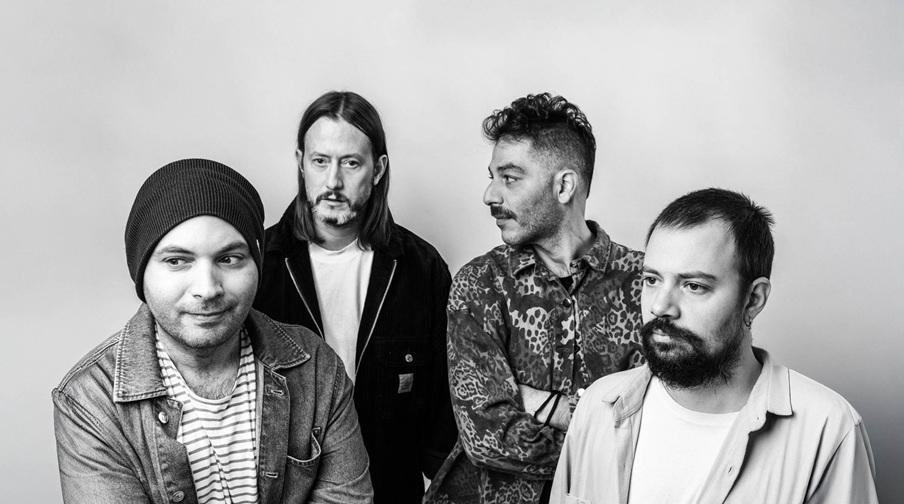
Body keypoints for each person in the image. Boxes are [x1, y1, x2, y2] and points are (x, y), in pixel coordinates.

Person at [52, 159, 372, 504]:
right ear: (141, 274)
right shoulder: (91, 399)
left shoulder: (314, 365)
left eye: (229, 259)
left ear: (257, 266)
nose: (207, 289)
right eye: (177, 261)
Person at [550, 188, 878, 503]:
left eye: (694, 286)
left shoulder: (827, 429)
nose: (660, 306)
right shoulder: (597, 407)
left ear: (753, 299)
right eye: (652, 280)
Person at [425, 93, 645, 504]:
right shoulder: (480, 285)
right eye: (492, 176)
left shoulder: (644, 285)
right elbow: (486, 435)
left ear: (564, 185)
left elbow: (661, 425)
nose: (490, 195)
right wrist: (599, 430)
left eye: (510, 178)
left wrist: (532, 401)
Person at [253, 91, 456, 504]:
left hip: (391, 492)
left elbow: (442, 411)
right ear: (300, 163)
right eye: (320, 161)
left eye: (350, 163)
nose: (333, 182)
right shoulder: (259, 267)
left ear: (377, 169)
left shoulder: (421, 269)